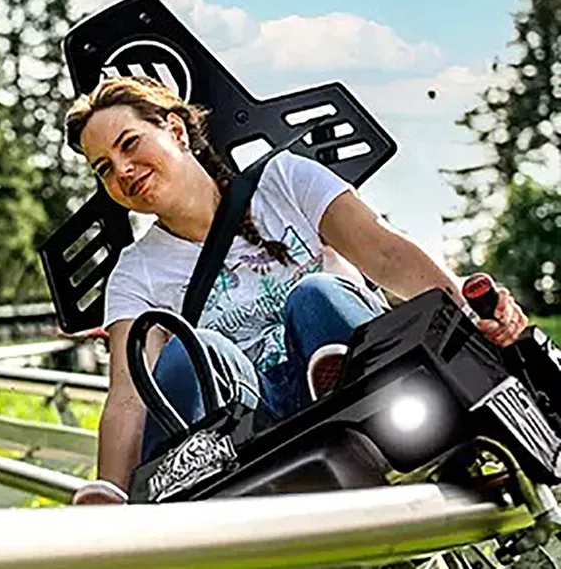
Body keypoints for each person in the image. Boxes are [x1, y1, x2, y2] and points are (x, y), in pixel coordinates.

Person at [64, 76, 530, 506]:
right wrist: (113, 497)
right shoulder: (135, 273)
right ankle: (214, 482)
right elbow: (128, 395)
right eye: (104, 168)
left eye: (130, 144)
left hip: (358, 387)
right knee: (194, 350)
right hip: (249, 426)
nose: (123, 170)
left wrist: (470, 319)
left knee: (316, 294)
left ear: (177, 132)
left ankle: (351, 404)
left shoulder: (285, 180)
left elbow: (386, 254)